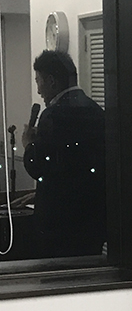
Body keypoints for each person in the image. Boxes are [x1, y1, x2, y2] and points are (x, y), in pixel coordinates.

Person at [22, 50, 106, 257]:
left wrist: (29, 145)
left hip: (58, 224)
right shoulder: (96, 110)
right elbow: (78, 167)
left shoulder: (53, 115)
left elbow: (40, 166)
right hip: (92, 218)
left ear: (51, 81)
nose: (38, 90)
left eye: (38, 81)